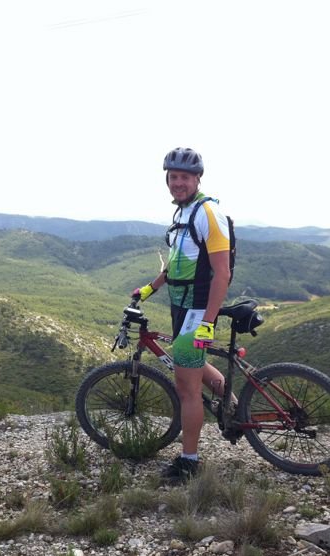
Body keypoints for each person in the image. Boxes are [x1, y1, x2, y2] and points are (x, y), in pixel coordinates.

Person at [136, 147, 232, 483]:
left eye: (184, 177)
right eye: (173, 177)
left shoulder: (207, 213)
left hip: (197, 310)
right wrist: (149, 289)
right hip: (181, 305)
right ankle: (232, 404)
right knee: (189, 364)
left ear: (197, 179)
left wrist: (207, 322)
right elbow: (177, 265)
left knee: (186, 386)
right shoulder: (182, 214)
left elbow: (222, 273)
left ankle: (189, 461)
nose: (177, 183)